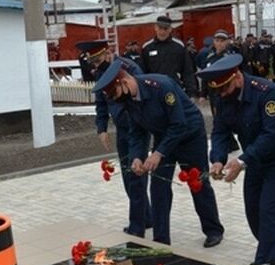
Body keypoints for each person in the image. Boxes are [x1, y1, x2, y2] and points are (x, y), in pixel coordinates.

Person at [92, 60, 224, 248]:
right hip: (164, 139)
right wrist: (137, 156)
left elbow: (179, 124)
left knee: (198, 183)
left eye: (114, 94)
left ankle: (213, 230)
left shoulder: (161, 86)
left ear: (124, 82)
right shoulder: (127, 99)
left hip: (189, 136)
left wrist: (158, 153)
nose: (115, 99)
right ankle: (161, 240)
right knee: (158, 188)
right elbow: (136, 130)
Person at [199, 54, 275, 265]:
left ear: (237, 78)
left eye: (225, 88)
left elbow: (270, 134)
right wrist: (217, 159)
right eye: (219, 91)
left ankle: (263, 262)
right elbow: (219, 132)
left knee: (269, 210)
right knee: (253, 211)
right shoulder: (223, 98)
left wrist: (241, 161)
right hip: (254, 159)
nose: (223, 94)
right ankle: (274, 251)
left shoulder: (267, 92)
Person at [77, 39, 152, 236]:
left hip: (138, 128)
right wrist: (101, 128)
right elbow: (101, 102)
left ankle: (138, 227)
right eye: (92, 62)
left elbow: (142, 97)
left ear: (108, 52)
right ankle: (146, 216)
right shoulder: (101, 72)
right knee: (128, 177)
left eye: (97, 59)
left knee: (136, 176)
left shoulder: (130, 68)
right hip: (122, 129)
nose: (94, 65)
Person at [140, 15, 198, 98]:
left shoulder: (179, 46)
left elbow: (187, 70)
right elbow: (142, 73)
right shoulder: (147, 48)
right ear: (155, 27)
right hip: (154, 91)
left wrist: (191, 92)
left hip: (175, 89)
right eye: (160, 28)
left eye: (165, 29)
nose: (162, 32)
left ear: (170, 29)